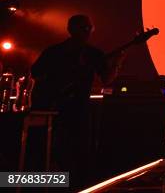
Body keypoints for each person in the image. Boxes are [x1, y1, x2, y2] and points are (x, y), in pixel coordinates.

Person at [30, 14, 125, 188]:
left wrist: (117, 63)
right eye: (84, 28)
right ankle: (51, 183)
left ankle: (72, 184)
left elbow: (106, 79)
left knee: (78, 149)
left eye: (89, 28)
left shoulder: (93, 54)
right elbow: (36, 73)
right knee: (51, 148)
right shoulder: (55, 52)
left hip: (78, 108)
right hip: (54, 107)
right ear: (71, 29)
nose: (87, 31)